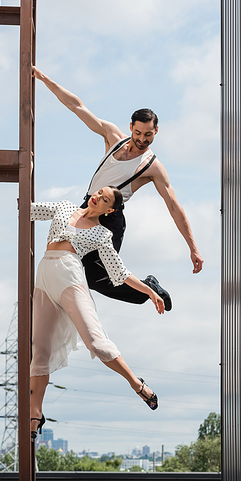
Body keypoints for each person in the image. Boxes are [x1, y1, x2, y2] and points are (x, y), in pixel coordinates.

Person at [31, 67, 204, 311]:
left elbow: (174, 206)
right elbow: (77, 106)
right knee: (72, 263)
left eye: (148, 135)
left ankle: (149, 289)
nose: (142, 140)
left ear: (156, 131)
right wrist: (44, 79)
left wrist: (193, 248)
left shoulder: (152, 167)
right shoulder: (113, 136)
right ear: (130, 126)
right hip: (87, 206)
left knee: (99, 277)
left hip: (111, 218)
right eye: (138, 133)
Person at [29, 186, 163, 436]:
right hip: (44, 278)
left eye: (105, 199)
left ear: (109, 209)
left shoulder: (102, 234)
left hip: (70, 278)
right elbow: (27, 210)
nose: (98, 197)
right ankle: (35, 413)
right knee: (40, 350)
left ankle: (136, 384)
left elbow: (120, 273)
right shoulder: (64, 207)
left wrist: (149, 291)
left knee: (96, 343)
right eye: (99, 192)